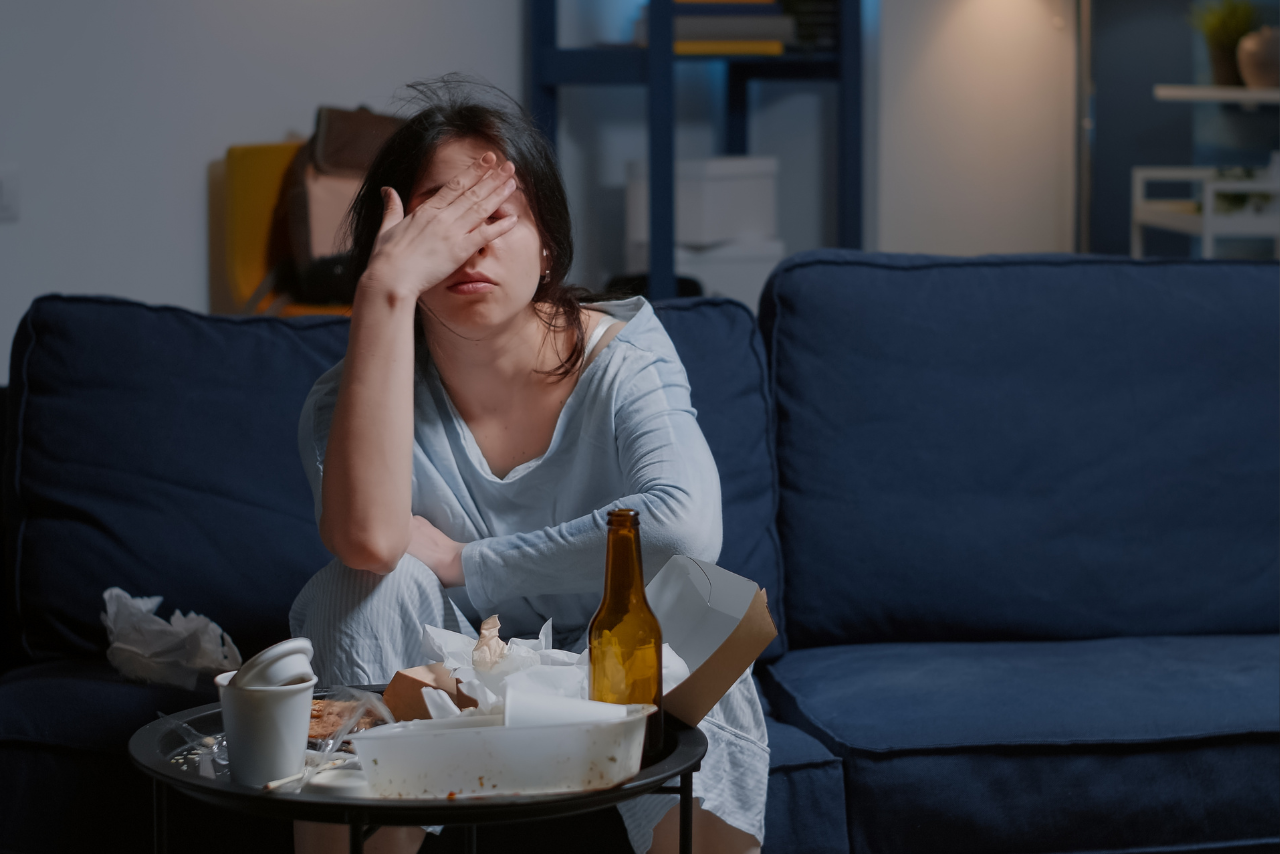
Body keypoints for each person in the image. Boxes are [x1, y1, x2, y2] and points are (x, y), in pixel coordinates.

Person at [289, 78, 768, 854]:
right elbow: (369, 544)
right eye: (441, 220)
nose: (469, 242)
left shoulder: (622, 354)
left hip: (607, 667)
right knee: (361, 586)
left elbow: (684, 530)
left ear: (546, 244)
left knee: (697, 613)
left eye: (494, 214)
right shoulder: (347, 399)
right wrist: (383, 291)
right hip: (442, 674)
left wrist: (466, 561)